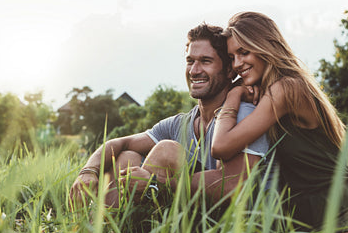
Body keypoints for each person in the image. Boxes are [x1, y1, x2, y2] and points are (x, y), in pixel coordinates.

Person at [211, 11, 348, 233]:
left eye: (244, 52)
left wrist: (233, 96)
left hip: (343, 205)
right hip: (299, 219)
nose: (236, 64)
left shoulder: (287, 89)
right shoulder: (267, 93)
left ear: (265, 46)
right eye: (231, 57)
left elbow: (221, 146)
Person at [69, 23, 269, 209]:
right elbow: (120, 143)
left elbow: (235, 189)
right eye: (190, 61)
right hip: (188, 211)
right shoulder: (180, 124)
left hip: (231, 223)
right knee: (126, 158)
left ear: (228, 70)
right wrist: (88, 172)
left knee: (167, 150)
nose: (195, 70)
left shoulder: (242, 112)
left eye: (205, 61)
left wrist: (154, 183)